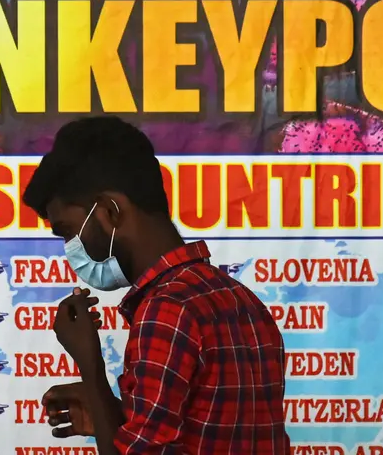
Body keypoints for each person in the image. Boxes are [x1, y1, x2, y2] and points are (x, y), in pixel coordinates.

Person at [21, 116, 290, 454]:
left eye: (68, 231)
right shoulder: (240, 299)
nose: (70, 248)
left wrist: (90, 365)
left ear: (110, 210)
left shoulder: (166, 311)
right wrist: (108, 409)